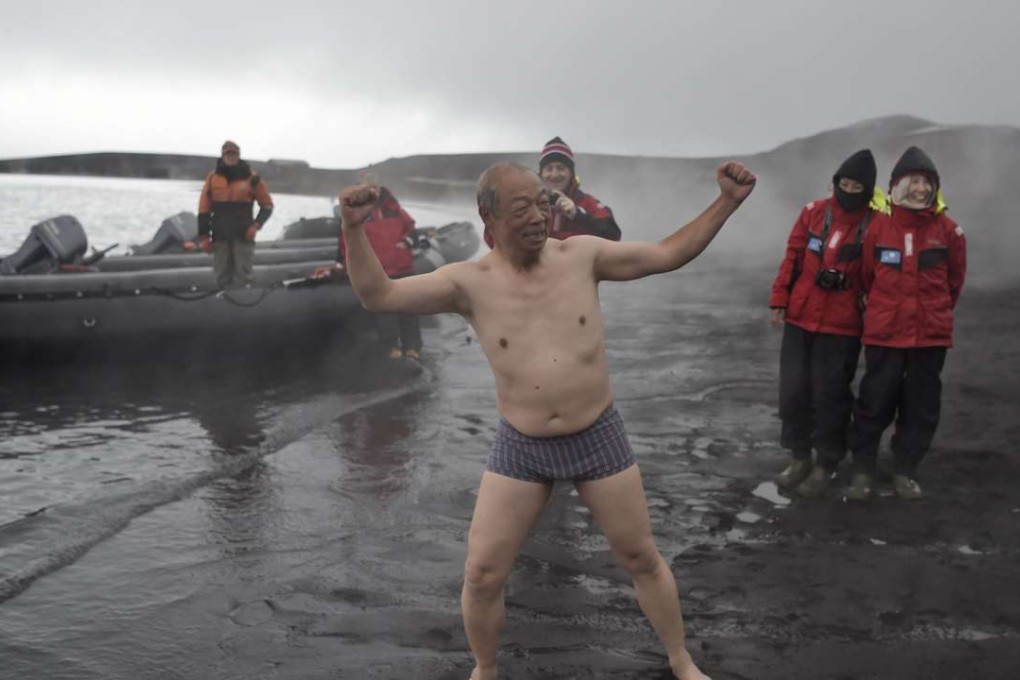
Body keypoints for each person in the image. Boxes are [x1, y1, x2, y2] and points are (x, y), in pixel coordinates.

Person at [338, 159, 756, 680]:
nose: (539, 215)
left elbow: (669, 253)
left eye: (542, 202)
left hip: (597, 434)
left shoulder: (581, 256)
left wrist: (727, 202)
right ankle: (485, 669)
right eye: (522, 208)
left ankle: (680, 659)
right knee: (482, 572)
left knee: (641, 557)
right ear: (488, 218)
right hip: (522, 444)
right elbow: (378, 296)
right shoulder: (467, 283)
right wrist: (353, 227)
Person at [847, 146, 966, 500]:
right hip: (885, 335)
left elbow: (954, 282)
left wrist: (934, 313)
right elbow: (867, 277)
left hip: (929, 337)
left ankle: (904, 471)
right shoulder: (878, 229)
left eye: (927, 183)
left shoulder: (949, 231)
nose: (921, 189)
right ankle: (863, 471)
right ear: (897, 185)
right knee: (874, 401)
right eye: (914, 182)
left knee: (921, 406)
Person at [768, 149, 880, 497]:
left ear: (867, 188)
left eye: (856, 185)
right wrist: (779, 299)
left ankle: (825, 464)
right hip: (801, 318)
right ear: (835, 182)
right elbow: (793, 256)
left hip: (842, 325)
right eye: (844, 182)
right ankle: (799, 456)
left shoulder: (875, 224)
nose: (848, 189)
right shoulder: (814, 213)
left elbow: (879, 277)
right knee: (793, 392)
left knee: (830, 396)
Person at [482, 137, 621, 248]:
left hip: (575, 278)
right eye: (549, 168)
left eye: (561, 168)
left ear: (571, 173)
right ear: (541, 174)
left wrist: (578, 215)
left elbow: (614, 237)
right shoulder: (522, 202)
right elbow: (493, 241)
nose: (554, 174)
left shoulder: (586, 203)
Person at [197, 140, 274, 287]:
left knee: (243, 276)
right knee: (221, 275)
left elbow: (267, 205)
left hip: (243, 235)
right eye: (228, 154)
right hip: (220, 236)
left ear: (238, 155)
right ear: (223, 156)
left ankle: (243, 305)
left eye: (233, 154)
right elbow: (204, 209)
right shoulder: (213, 178)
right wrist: (204, 237)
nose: (231, 157)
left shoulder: (253, 178)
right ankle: (222, 306)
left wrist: (256, 225)